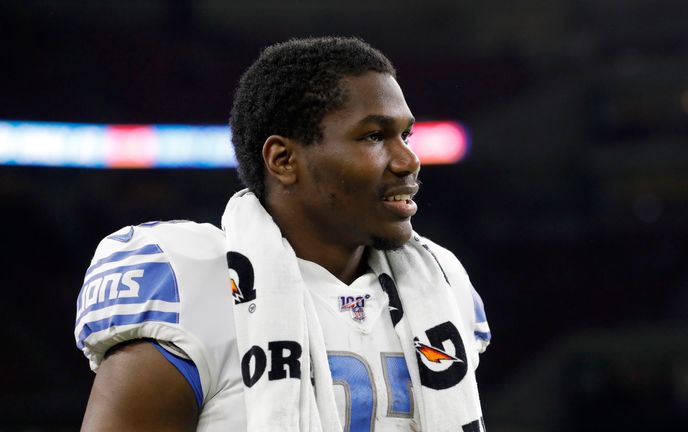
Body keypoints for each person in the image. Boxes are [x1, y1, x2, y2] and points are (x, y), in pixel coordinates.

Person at [74, 36, 491, 431]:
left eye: (405, 135)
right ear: (283, 159)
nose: (408, 160)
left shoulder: (440, 284)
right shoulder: (194, 284)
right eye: (374, 136)